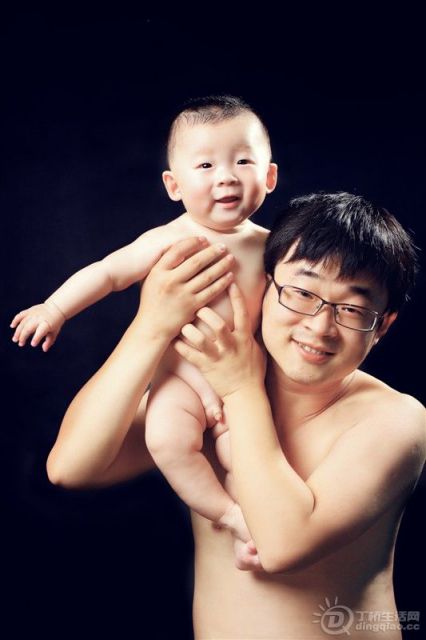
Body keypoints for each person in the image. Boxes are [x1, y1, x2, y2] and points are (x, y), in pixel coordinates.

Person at [47, 192, 425, 639]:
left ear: (382, 326)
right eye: (302, 293)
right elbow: (72, 468)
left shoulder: (397, 420)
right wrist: (150, 327)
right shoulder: (207, 396)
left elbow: (282, 545)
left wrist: (242, 390)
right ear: (265, 287)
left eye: (352, 309)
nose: (319, 326)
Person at [12, 95, 277, 555]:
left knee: (244, 455)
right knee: (168, 441)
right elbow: (107, 273)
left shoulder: (275, 248)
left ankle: (252, 527)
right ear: (174, 185)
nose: (226, 176)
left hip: (243, 384)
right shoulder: (169, 239)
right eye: (206, 166)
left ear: (269, 177)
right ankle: (228, 516)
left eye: (242, 161)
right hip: (181, 383)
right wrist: (54, 309)